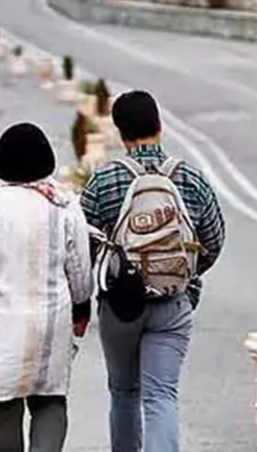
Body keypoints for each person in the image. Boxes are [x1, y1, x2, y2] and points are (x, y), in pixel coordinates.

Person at [80, 90, 225, 452]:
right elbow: (214, 239)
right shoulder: (189, 177)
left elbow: (82, 246)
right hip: (173, 304)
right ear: (159, 126)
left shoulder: (103, 181)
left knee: (124, 394)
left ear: (119, 133)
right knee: (161, 397)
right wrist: (183, 276)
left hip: (120, 307)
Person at [0, 122, 94, 452]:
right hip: (50, 323)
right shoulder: (65, 205)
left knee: (3, 407)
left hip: (1, 326)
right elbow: (80, 269)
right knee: (50, 401)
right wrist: (82, 306)